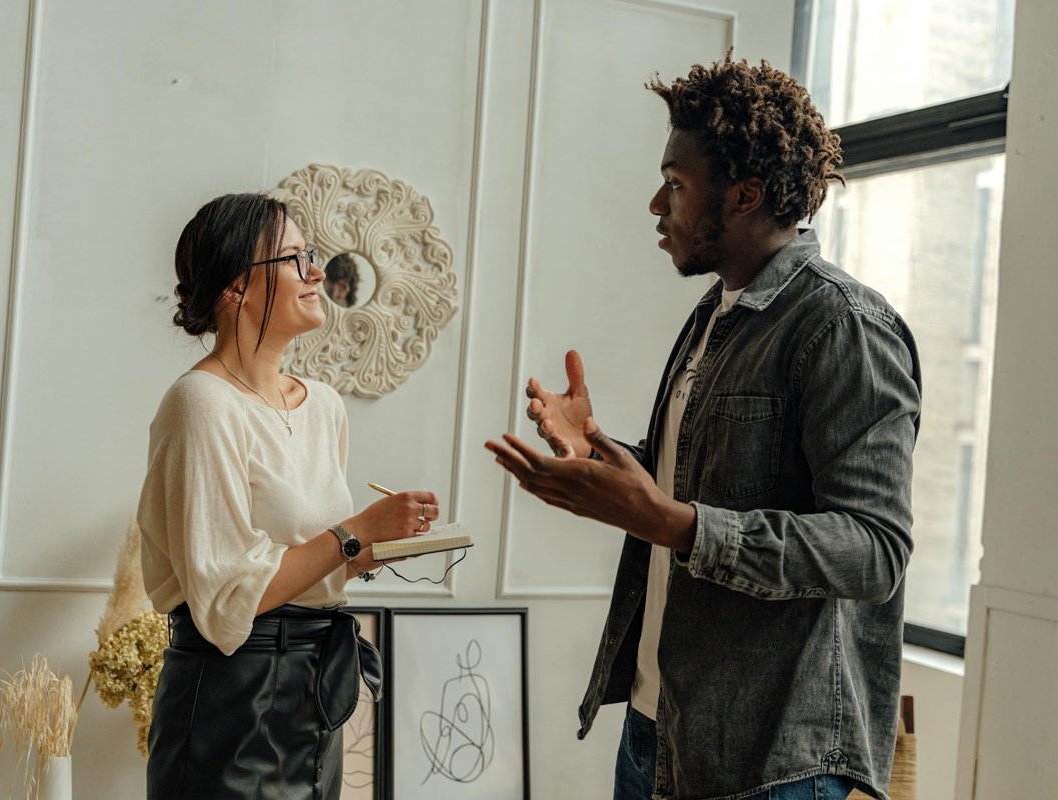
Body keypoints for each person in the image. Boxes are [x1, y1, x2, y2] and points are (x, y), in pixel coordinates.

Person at [486, 55, 921, 800]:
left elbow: (874, 550)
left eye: (677, 184)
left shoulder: (844, 327)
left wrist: (681, 526)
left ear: (745, 195)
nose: (657, 203)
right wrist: (601, 450)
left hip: (772, 761)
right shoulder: (716, 314)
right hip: (662, 726)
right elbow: (713, 478)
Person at [139, 192, 439, 799]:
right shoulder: (201, 405)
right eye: (294, 259)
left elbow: (308, 558)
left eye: (313, 255)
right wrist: (354, 531)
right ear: (235, 289)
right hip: (232, 693)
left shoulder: (324, 406)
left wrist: (373, 545)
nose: (317, 272)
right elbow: (226, 600)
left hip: (314, 688)